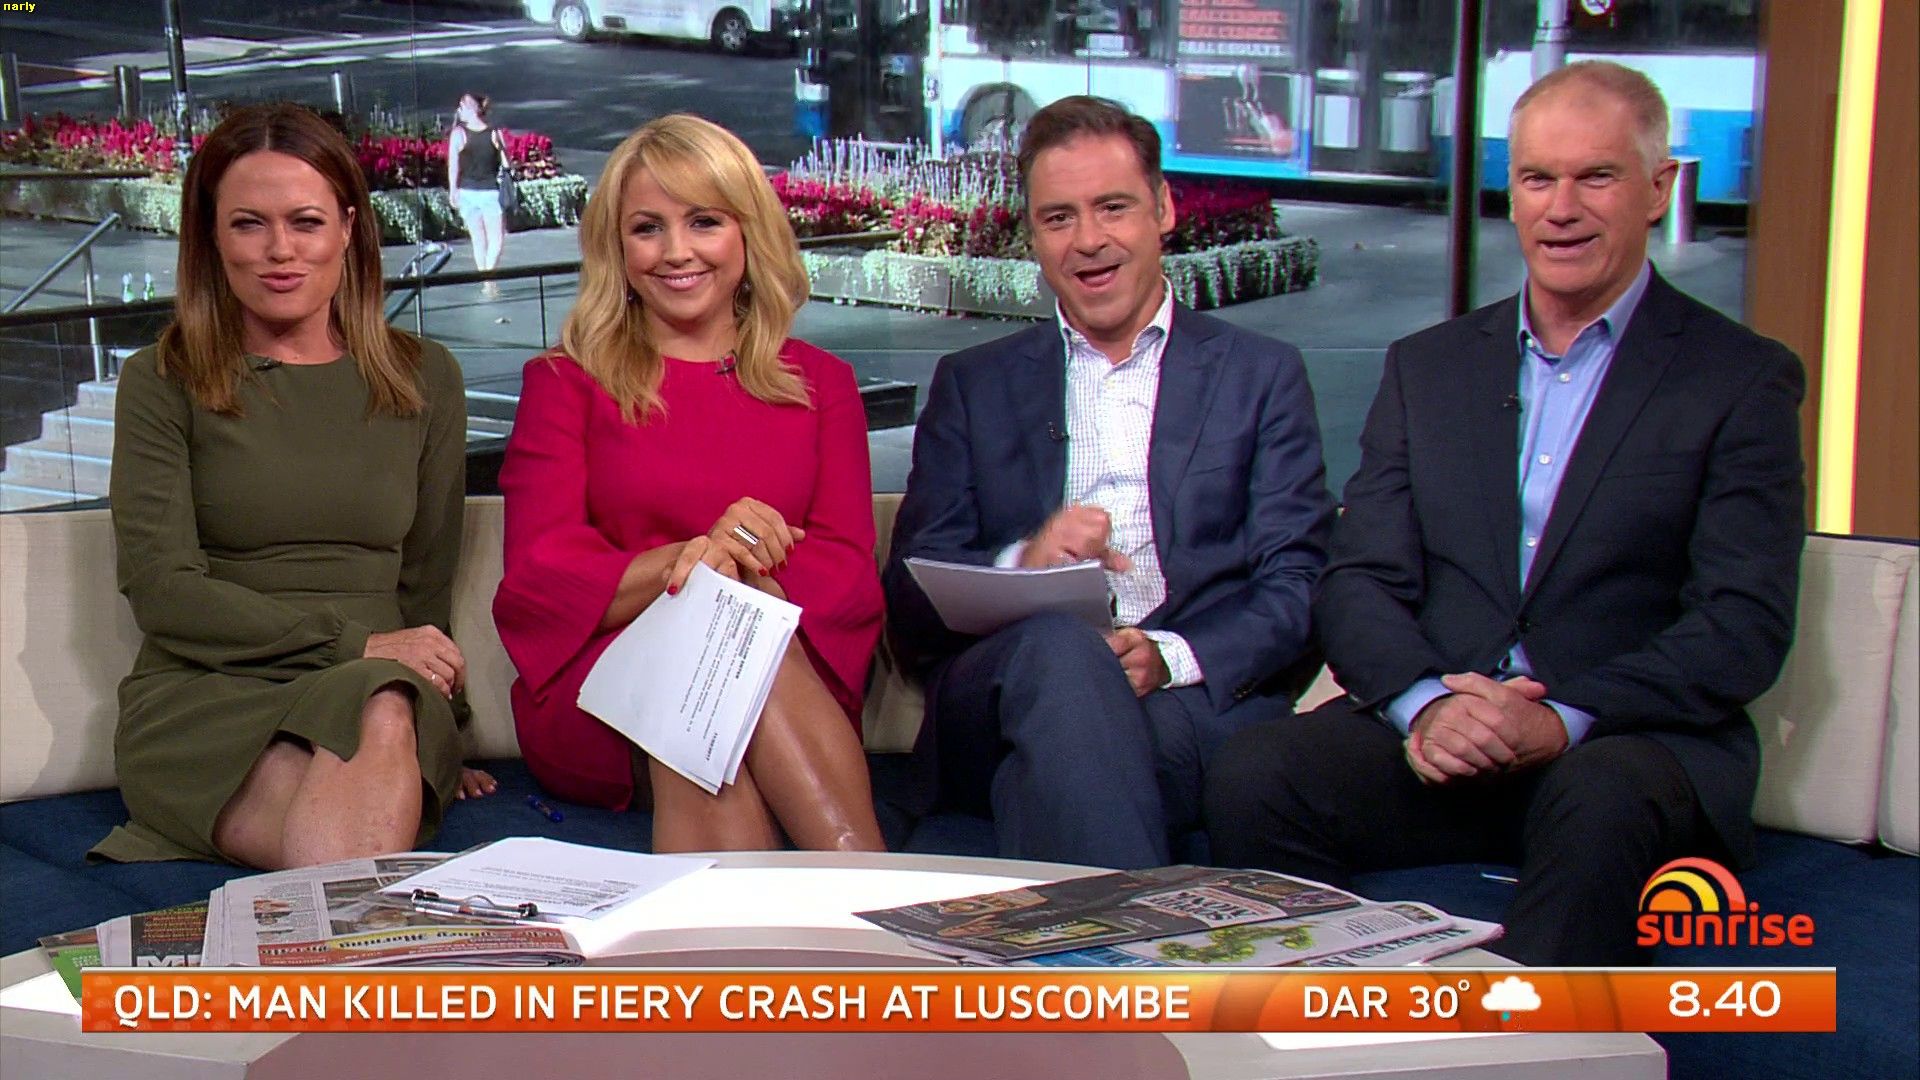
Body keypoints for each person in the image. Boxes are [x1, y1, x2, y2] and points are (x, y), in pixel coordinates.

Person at [1204, 62, 1806, 965]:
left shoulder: (1740, 378)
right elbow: (1359, 578)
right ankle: (1324, 1028)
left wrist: (1560, 715)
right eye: (1537, 178)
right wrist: (1427, 707)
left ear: (1658, 189)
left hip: (1622, 742)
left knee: (1599, 798)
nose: (1562, 208)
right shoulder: (1429, 366)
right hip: (1447, 736)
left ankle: (1526, 1039)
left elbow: (1742, 623)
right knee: (1256, 773)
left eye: (1595, 177)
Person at [882, 95, 1334, 870]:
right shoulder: (974, 384)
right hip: (1001, 691)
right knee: (1062, 652)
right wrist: (1024, 563)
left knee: (1067, 759)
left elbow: (1298, 584)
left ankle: (1084, 936)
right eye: (1058, 218)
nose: (1088, 240)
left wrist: (1167, 655)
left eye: (1113, 208)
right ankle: (1137, 946)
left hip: (1184, 699)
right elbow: (911, 605)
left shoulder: (1260, 376)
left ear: (1163, 209)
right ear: (1033, 236)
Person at [96, 102, 495, 869]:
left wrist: (446, 724)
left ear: (347, 228)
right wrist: (355, 643)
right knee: (344, 852)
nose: (279, 250)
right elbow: (162, 589)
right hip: (208, 694)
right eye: (248, 224)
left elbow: (427, 576)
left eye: (305, 222)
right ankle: (372, 940)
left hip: (384, 693)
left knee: (381, 703)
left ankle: (329, 942)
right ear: (211, 237)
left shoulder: (425, 377)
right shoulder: (162, 380)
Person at [492, 114, 886, 853]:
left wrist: (734, 575)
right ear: (617, 248)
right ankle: (871, 886)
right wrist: (692, 563)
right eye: (648, 228)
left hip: (787, 669)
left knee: (729, 636)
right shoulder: (565, 383)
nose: (677, 251)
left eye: (704, 221)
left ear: (747, 234)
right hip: (600, 690)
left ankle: (751, 927)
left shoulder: (822, 384)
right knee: (709, 629)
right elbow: (540, 575)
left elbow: (847, 573)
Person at [447, 92, 507, 297]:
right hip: (489, 192)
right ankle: (489, 279)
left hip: (469, 192)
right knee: (495, 239)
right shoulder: (494, 133)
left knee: (480, 240)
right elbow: (506, 163)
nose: (459, 111)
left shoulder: (459, 134)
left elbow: (453, 166)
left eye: (461, 107)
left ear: (471, 109)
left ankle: (486, 280)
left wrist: (453, 189)